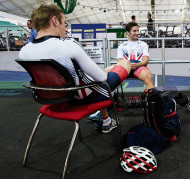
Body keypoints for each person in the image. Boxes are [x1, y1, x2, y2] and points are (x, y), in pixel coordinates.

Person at [19, 4, 131, 134]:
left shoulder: (24, 51)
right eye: (64, 23)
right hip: (83, 98)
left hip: (55, 98)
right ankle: (106, 118)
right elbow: (102, 78)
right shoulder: (68, 44)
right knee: (125, 63)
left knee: (106, 70)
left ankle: (106, 119)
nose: (65, 29)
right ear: (55, 21)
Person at [117, 22, 154, 89]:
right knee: (109, 75)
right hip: (125, 68)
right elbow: (119, 61)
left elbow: (146, 60)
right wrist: (127, 65)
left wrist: (138, 64)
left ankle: (151, 98)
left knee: (148, 76)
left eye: (137, 31)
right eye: (134, 31)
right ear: (128, 32)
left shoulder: (143, 44)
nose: (137, 33)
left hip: (138, 67)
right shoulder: (121, 46)